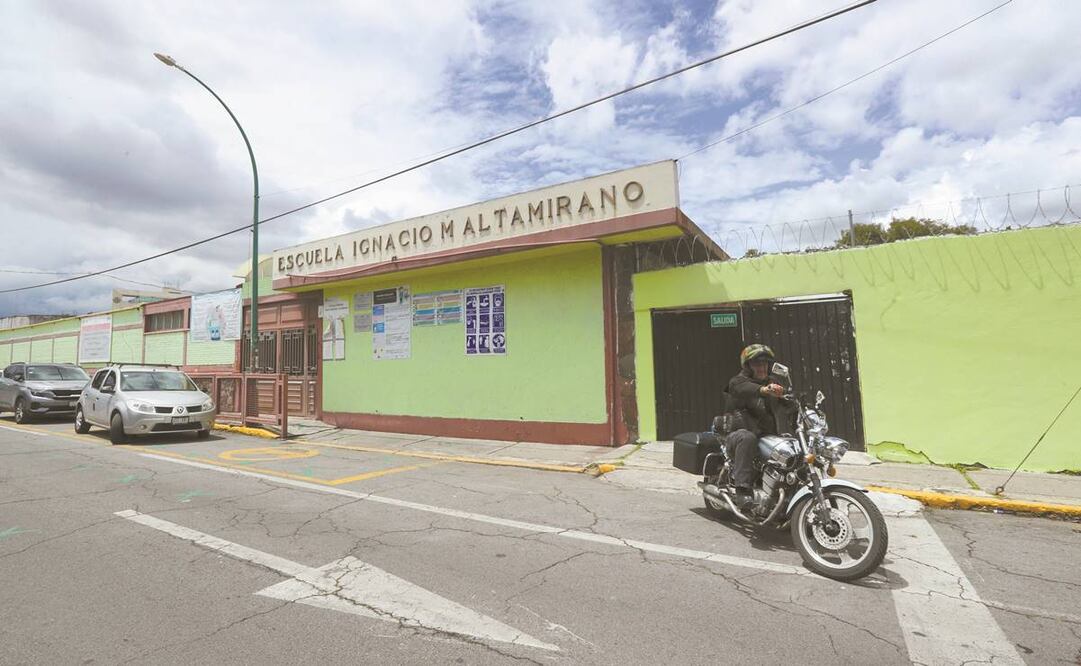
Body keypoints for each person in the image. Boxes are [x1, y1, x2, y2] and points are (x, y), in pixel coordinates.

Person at [722, 344, 792, 507]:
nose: (762, 367)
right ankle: (742, 490)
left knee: (789, 446)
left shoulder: (772, 383)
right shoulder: (738, 382)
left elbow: (786, 401)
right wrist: (764, 389)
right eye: (757, 364)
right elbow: (745, 389)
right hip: (737, 436)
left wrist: (795, 403)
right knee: (748, 438)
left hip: (765, 436)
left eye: (765, 364)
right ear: (747, 367)